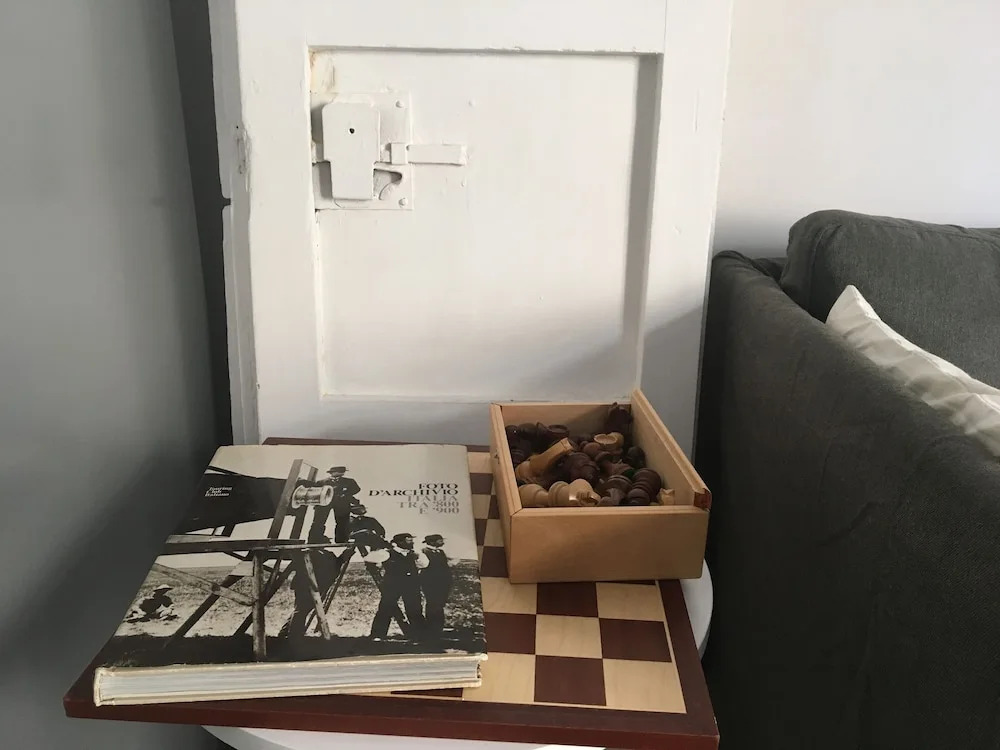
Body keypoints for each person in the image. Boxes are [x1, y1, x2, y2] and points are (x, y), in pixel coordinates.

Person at [370, 533, 426, 640]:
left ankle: (420, 635)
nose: (412, 542)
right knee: (386, 608)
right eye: (409, 540)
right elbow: (370, 559)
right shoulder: (387, 553)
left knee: (414, 609)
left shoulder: (413, 554)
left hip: (411, 584)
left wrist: (418, 557)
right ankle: (377, 635)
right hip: (393, 585)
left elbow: (424, 565)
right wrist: (380, 558)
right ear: (400, 542)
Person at [298, 466, 361, 544]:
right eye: (339, 471)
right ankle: (314, 540)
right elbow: (315, 490)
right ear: (332, 473)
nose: (342, 473)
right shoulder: (321, 482)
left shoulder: (349, 481)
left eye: (342, 472)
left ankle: (341, 540)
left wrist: (346, 493)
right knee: (318, 521)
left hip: (342, 503)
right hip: (324, 503)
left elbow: (357, 489)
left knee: (342, 522)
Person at [419, 534, 453, 637]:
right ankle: (432, 627)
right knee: (432, 603)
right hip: (430, 582)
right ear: (432, 542)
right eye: (440, 540)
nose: (442, 542)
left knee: (440, 604)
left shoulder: (440, 552)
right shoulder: (424, 552)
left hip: (442, 582)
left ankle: (438, 627)